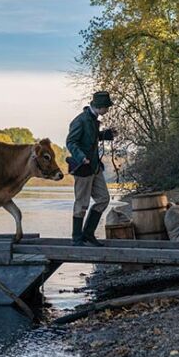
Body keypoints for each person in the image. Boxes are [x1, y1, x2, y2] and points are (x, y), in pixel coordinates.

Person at [66, 91, 116, 246]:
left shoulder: (93, 119)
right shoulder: (80, 120)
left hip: (94, 167)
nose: (108, 110)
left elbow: (91, 137)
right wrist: (81, 157)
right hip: (83, 167)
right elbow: (71, 142)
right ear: (100, 107)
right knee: (82, 203)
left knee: (103, 199)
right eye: (107, 107)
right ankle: (77, 238)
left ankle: (88, 234)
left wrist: (105, 135)